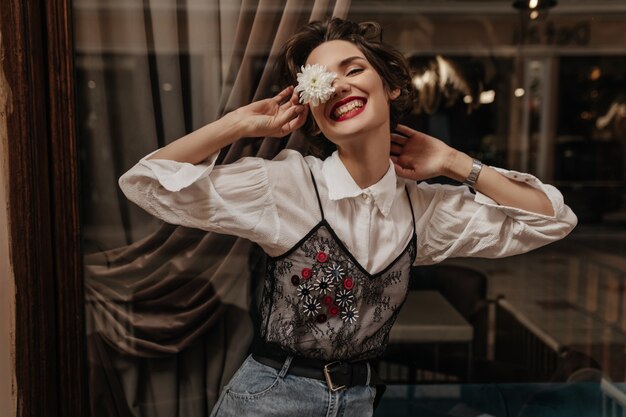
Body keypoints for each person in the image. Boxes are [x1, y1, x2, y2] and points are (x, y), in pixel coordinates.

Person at [119, 17, 577, 417]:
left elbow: (550, 219)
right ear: (314, 116)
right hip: (269, 401)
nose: (338, 85)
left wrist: (458, 163)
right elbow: (146, 181)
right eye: (321, 81)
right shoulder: (285, 186)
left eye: (354, 69)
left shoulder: (424, 210)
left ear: (391, 87)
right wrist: (239, 123)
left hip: (358, 402)